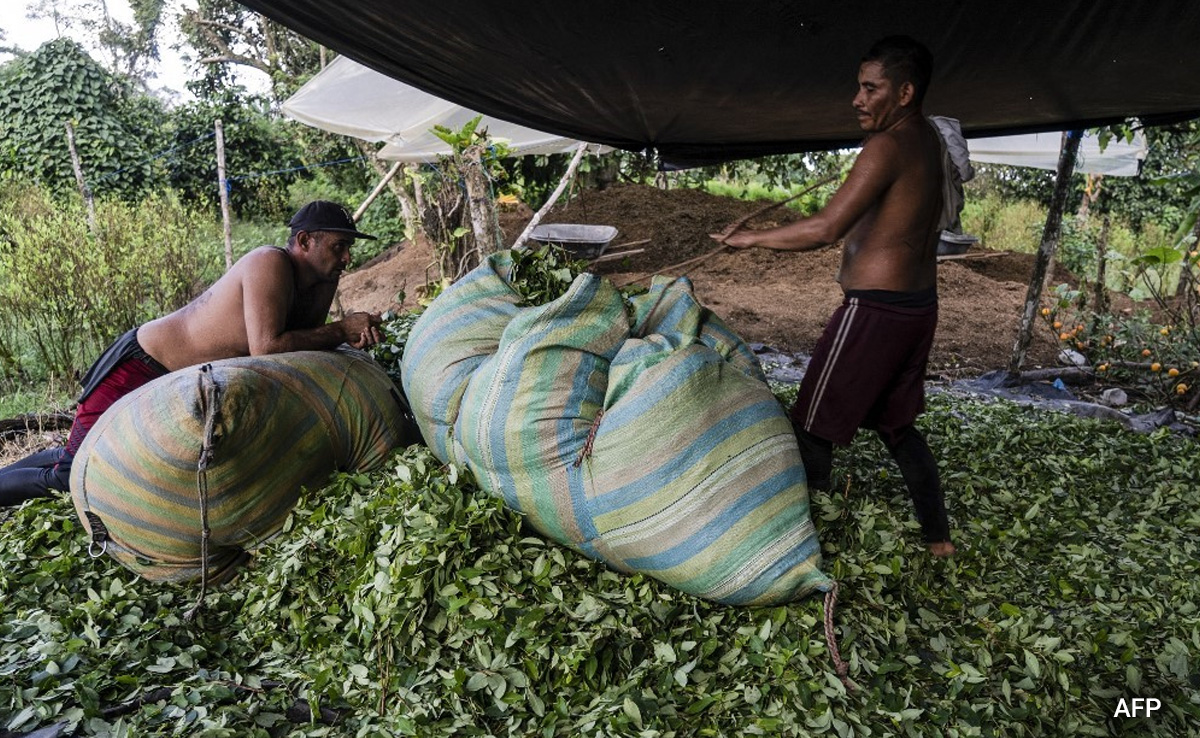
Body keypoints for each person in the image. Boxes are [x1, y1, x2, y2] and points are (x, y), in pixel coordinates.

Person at [711, 36, 956, 556]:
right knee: (897, 425)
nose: (857, 99)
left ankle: (795, 547)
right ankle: (939, 542)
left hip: (876, 310)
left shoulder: (887, 145)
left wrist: (749, 238)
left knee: (809, 424)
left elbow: (826, 228)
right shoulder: (926, 140)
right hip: (917, 308)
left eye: (871, 88)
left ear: (906, 92)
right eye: (859, 87)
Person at [0, 200, 384, 507]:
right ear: (303, 242)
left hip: (173, 379)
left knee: (75, 455)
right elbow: (267, 348)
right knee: (74, 473)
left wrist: (345, 328)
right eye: (339, 247)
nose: (347, 258)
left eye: (348, 248)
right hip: (140, 364)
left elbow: (303, 343)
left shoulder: (319, 279)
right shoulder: (269, 263)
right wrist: (340, 329)